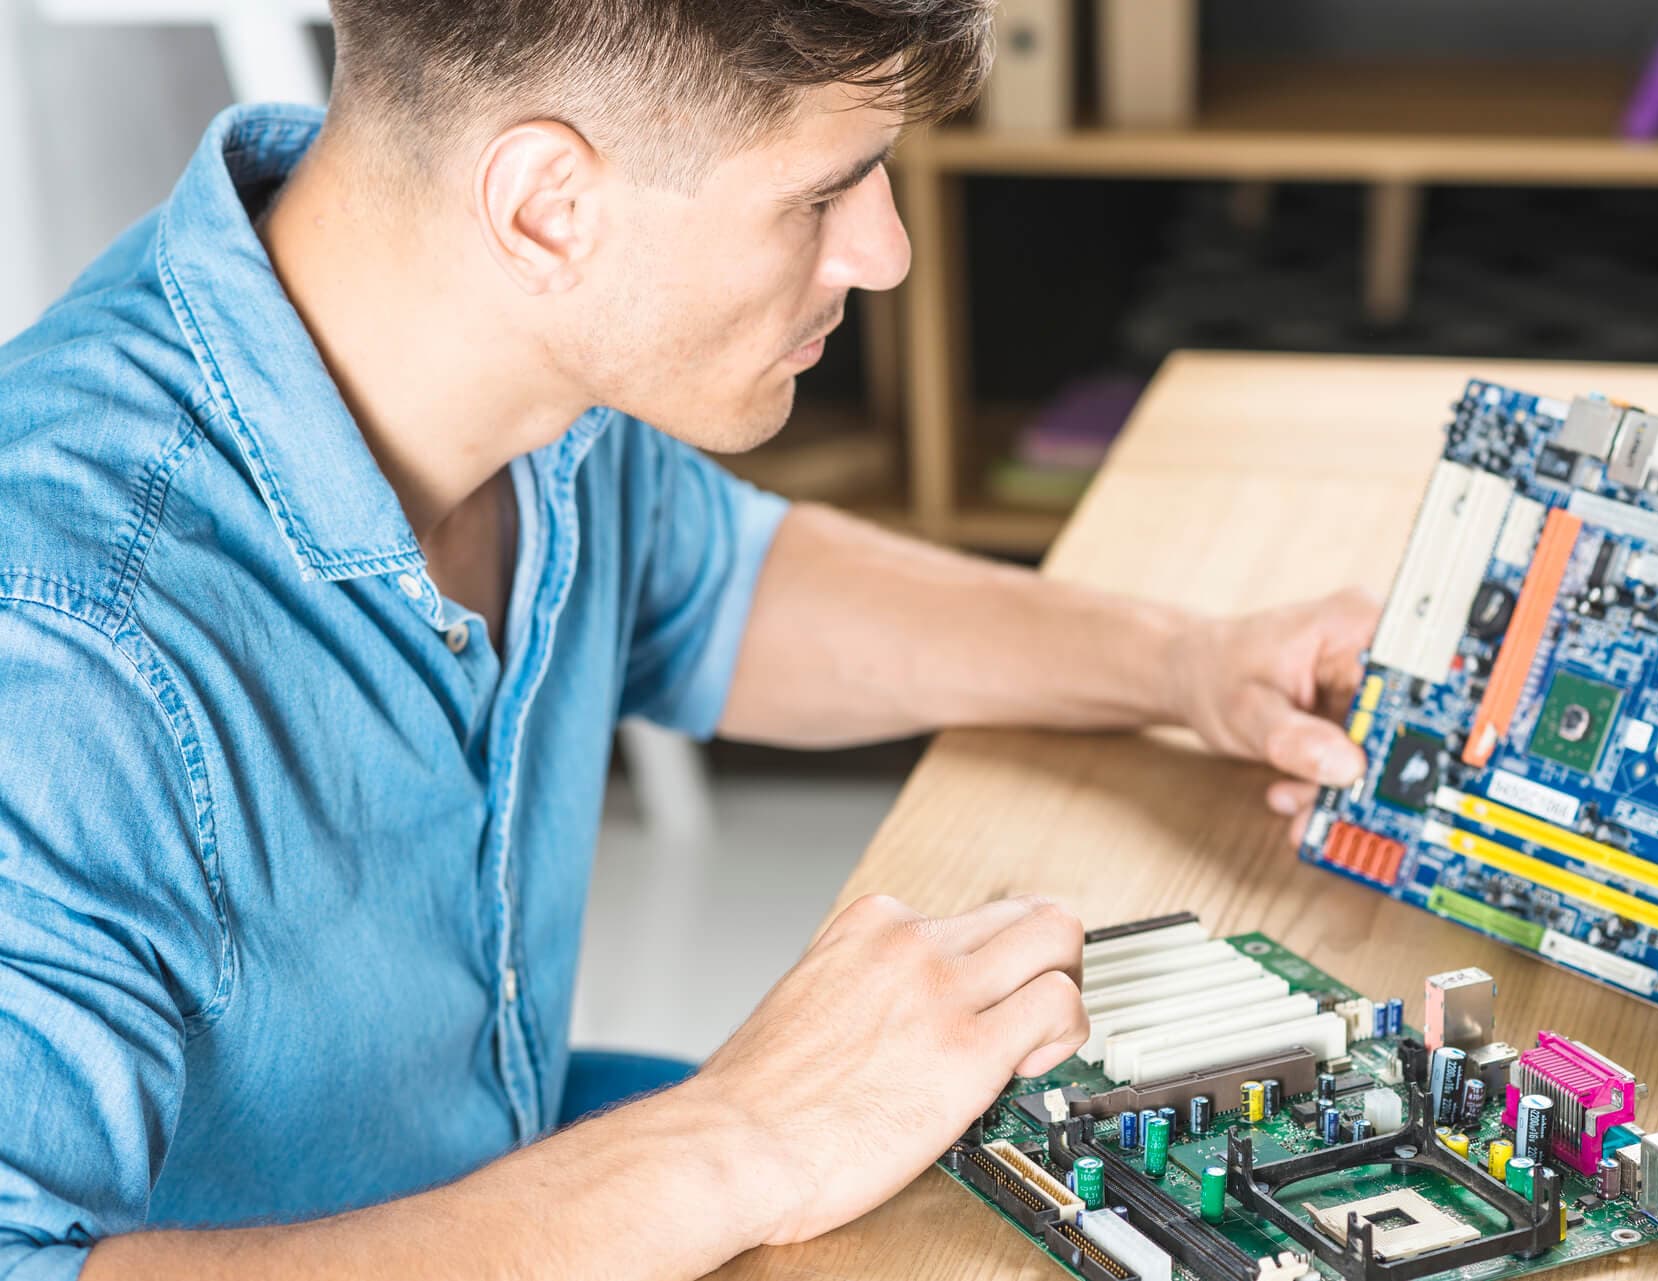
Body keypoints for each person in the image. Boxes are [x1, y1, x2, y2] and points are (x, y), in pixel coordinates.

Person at [0, 2, 1377, 1277]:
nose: (882, 250)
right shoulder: (63, 644)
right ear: (549, 208)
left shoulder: (519, 364)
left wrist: (1184, 664)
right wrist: (738, 1138)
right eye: (824, 192)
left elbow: (723, 586)